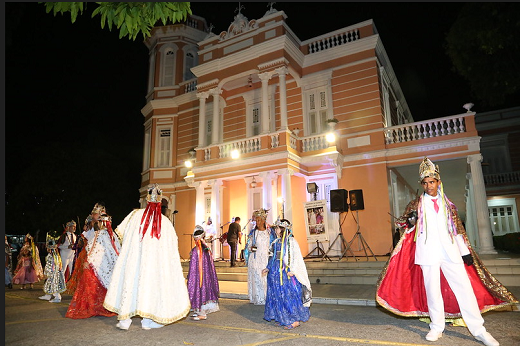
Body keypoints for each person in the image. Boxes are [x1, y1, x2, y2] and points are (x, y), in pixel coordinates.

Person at [376, 157, 518, 346]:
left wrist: (465, 252)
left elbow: (457, 230)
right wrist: (410, 221)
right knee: (432, 291)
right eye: (425, 183)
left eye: (432, 182)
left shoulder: (449, 206)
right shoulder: (416, 204)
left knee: (465, 289)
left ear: (438, 182)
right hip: (427, 254)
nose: (428, 186)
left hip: (450, 252)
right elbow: (402, 225)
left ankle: (479, 330)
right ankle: (437, 327)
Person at [104, 184, 191, 330]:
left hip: (134, 263)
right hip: (154, 266)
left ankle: (125, 320)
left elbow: (119, 233)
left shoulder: (134, 215)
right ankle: (147, 321)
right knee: (149, 288)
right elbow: (171, 249)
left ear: (146, 199)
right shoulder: (166, 222)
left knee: (131, 285)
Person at [66, 203, 121, 319]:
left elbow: (94, 247)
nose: (93, 215)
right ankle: (99, 306)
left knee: (92, 281)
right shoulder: (105, 233)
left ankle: (94, 307)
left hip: (98, 262)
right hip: (99, 262)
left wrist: (88, 260)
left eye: (95, 214)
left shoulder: (102, 233)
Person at [263, 218, 312, 330]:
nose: (276, 230)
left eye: (278, 228)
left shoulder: (291, 242)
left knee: (288, 296)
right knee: (277, 296)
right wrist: (268, 268)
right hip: (275, 273)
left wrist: (293, 270)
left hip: (286, 274)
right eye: (276, 228)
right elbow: (272, 257)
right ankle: (282, 317)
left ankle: (294, 320)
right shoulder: (275, 242)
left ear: (283, 229)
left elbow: (296, 258)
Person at [186, 225, 220, 321]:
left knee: (200, 291)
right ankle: (198, 310)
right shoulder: (205, 249)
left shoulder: (201, 250)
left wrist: (192, 277)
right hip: (202, 276)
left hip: (200, 277)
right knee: (199, 291)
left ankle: (202, 313)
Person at [244, 208, 276, 305]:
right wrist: (251, 248)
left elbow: (273, 245)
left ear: (263, 220)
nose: (257, 222)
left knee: (264, 278)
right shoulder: (253, 233)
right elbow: (248, 246)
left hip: (265, 258)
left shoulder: (269, 233)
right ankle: (257, 297)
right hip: (255, 258)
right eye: (256, 220)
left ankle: (266, 297)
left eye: (259, 220)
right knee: (257, 277)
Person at [39, 234, 66, 303]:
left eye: (47, 247)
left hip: (53, 273)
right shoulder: (51, 254)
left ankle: (57, 297)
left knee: (54, 285)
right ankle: (48, 295)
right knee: (49, 284)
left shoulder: (54, 256)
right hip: (51, 273)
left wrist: (48, 273)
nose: (46, 248)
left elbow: (53, 266)